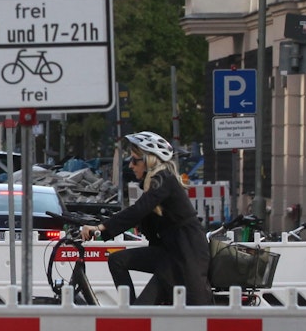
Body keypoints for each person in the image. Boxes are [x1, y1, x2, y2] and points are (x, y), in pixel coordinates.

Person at [79, 131, 211, 306]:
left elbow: (138, 210)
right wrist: (97, 222)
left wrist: (101, 228)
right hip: (169, 256)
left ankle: (134, 317)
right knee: (117, 260)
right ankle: (131, 310)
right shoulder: (155, 184)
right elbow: (138, 215)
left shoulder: (164, 180)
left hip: (184, 257)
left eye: (135, 160)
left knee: (180, 312)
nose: (131, 166)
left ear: (150, 160)